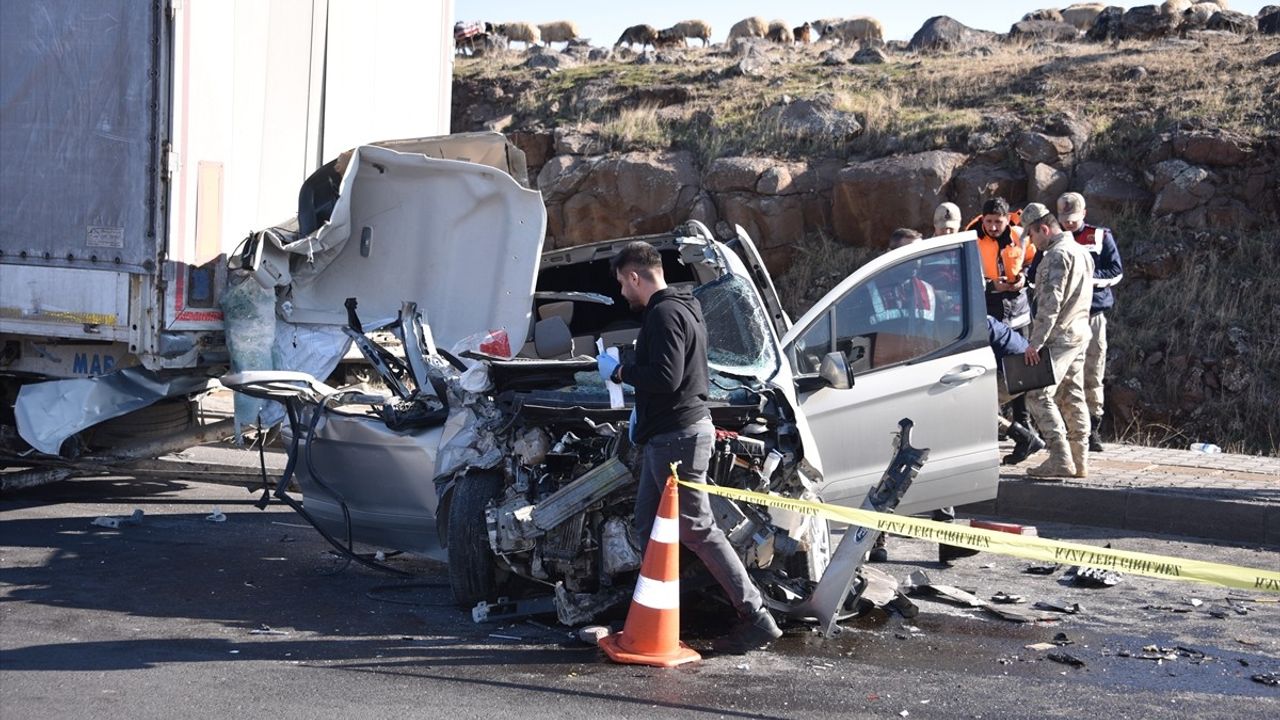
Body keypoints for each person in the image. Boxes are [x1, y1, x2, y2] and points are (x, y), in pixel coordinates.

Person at [597, 241, 781, 654]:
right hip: (672, 434)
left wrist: (620, 371)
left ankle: (756, 618)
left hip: (677, 438)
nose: (623, 294)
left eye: (622, 285)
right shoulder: (684, 308)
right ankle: (655, 613)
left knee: (697, 530)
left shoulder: (663, 313)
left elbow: (666, 377)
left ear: (633, 276)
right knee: (648, 525)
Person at [1018, 203, 1094, 478]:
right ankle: (1080, 460)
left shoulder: (1055, 255)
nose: (1032, 242)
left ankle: (1060, 457)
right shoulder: (1081, 252)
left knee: (1038, 394)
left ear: (1044, 229)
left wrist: (1035, 344)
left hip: (1060, 338)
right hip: (1080, 333)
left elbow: (1050, 305)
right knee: (1072, 395)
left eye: (1032, 235)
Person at [973, 198, 1044, 466]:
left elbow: (1032, 262)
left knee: (1020, 369)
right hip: (991, 307)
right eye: (988, 221)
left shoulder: (1019, 236)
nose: (992, 226)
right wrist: (993, 287)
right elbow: (970, 275)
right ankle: (999, 426)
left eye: (997, 221)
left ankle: (1022, 423)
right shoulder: (975, 240)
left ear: (1006, 220)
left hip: (1019, 309)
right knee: (992, 372)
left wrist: (1024, 277)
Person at [1057, 192, 1123, 453]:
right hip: (1064, 318)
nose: (1069, 224)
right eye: (1064, 219)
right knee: (1065, 372)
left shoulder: (1099, 236)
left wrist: (1086, 279)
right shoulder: (1054, 238)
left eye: (1073, 219)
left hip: (1093, 316)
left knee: (1093, 371)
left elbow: (1116, 272)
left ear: (1083, 214)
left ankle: (1092, 428)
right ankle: (1066, 427)